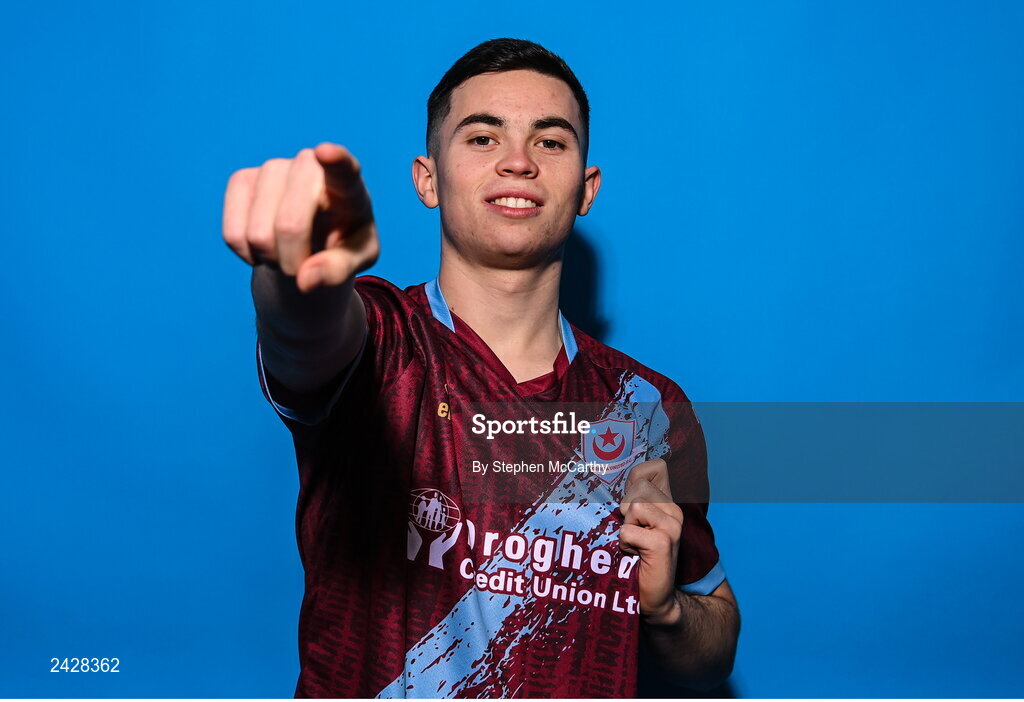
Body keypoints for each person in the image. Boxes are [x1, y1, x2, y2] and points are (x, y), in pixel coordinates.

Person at [222, 38, 740, 698]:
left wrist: (667, 609)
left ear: (586, 189)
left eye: (550, 142)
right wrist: (295, 276)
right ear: (427, 178)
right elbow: (307, 333)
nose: (519, 161)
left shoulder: (647, 408)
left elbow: (715, 643)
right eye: (482, 138)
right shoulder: (383, 346)